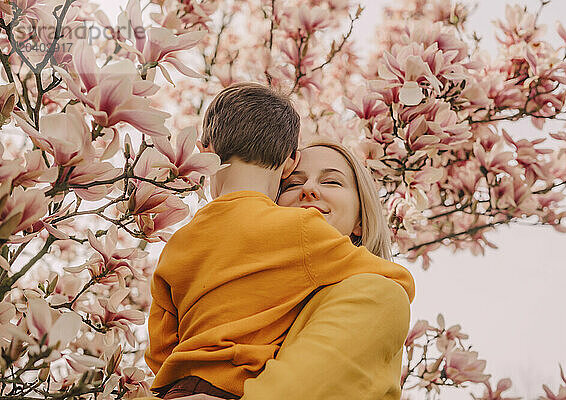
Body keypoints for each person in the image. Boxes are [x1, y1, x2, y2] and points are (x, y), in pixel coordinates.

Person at [144, 83, 415, 399]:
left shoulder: (178, 243)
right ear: (287, 162)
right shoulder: (300, 229)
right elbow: (398, 278)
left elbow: (161, 349)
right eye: (294, 183)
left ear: (206, 154)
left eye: (331, 181)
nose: (309, 191)